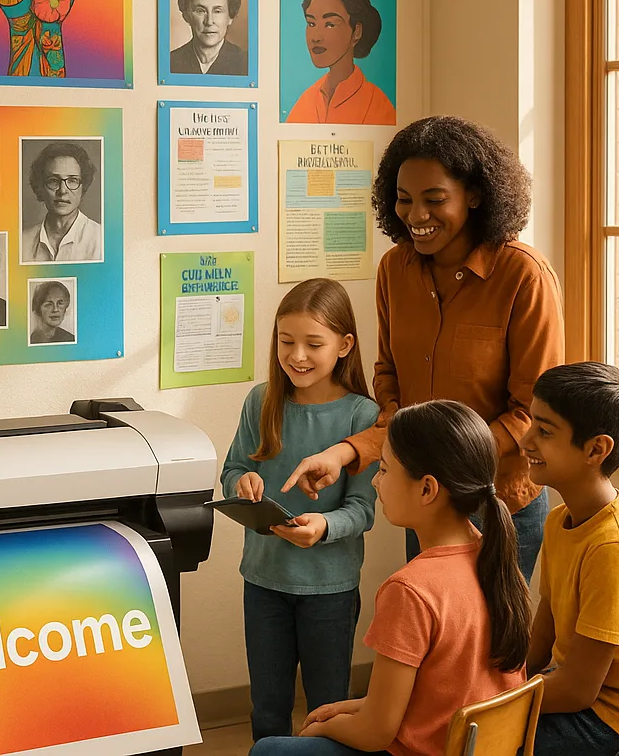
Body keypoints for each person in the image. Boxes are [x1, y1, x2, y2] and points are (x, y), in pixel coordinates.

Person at [283, 116, 564, 583]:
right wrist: (347, 452)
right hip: (424, 497)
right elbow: (390, 380)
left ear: (474, 196)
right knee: (434, 640)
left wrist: (446, 458)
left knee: (489, 649)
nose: (415, 216)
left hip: (500, 505)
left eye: (434, 200)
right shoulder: (394, 269)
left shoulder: (523, 276)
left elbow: (534, 409)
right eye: (404, 199)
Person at [251, 401, 531, 756]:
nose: (376, 480)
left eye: (383, 469)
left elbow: (374, 735)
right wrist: (350, 708)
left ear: (427, 489)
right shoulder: (493, 556)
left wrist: (323, 728)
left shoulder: (411, 589)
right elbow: (440, 693)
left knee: (269, 750)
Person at [221, 279, 379, 741]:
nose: (297, 356)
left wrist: (325, 526)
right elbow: (233, 468)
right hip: (263, 580)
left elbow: (363, 508)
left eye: (314, 344)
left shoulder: (360, 416)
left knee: (328, 705)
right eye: (286, 342)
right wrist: (241, 481)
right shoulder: (261, 400)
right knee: (267, 704)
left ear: (345, 345)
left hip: (329, 589)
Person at [522, 363, 619, 756]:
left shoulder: (615, 550)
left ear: (596, 450)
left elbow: (579, 690)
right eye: (532, 423)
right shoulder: (558, 519)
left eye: (544, 431)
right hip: (571, 690)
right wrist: (508, 679)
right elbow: (544, 634)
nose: (526, 439)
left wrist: (492, 699)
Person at [286, 0, 395, 125]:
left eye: (330, 24)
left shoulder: (377, 105)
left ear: (356, 31)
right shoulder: (307, 100)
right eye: (311, 23)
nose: (316, 37)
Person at [21, 141, 102, 262]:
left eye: (72, 180)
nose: (62, 190)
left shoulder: (101, 239)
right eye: (53, 180)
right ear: (40, 186)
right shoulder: (23, 241)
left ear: (82, 187)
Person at [169, 0, 248, 76]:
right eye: (201, 10)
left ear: (230, 17)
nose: (209, 21)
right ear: (186, 15)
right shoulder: (170, 62)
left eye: (217, 11)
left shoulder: (246, 64)